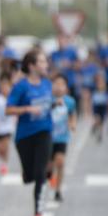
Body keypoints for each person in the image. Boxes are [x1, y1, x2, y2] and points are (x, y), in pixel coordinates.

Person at [6, 49, 53, 216]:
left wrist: (55, 103)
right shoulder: (21, 86)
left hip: (44, 132)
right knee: (31, 176)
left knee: (41, 174)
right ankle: (30, 173)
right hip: (25, 136)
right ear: (32, 66)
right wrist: (26, 109)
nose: (45, 65)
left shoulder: (47, 84)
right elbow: (8, 110)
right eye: (42, 62)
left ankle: (38, 215)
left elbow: (49, 103)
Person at [48, 74, 77, 202]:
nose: (59, 87)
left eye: (62, 84)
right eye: (56, 84)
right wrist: (53, 104)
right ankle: (50, 176)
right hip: (47, 137)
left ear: (66, 88)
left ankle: (58, 190)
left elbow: (72, 115)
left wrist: (72, 124)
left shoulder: (70, 101)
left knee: (60, 162)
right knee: (48, 166)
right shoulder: (47, 99)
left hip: (61, 137)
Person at [91, 74, 108, 143]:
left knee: (102, 122)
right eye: (99, 83)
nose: (101, 85)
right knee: (97, 119)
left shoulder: (106, 91)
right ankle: (94, 126)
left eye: (102, 83)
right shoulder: (94, 90)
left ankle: (100, 134)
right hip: (96, 107)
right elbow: (92, 100)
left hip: (103, 108)